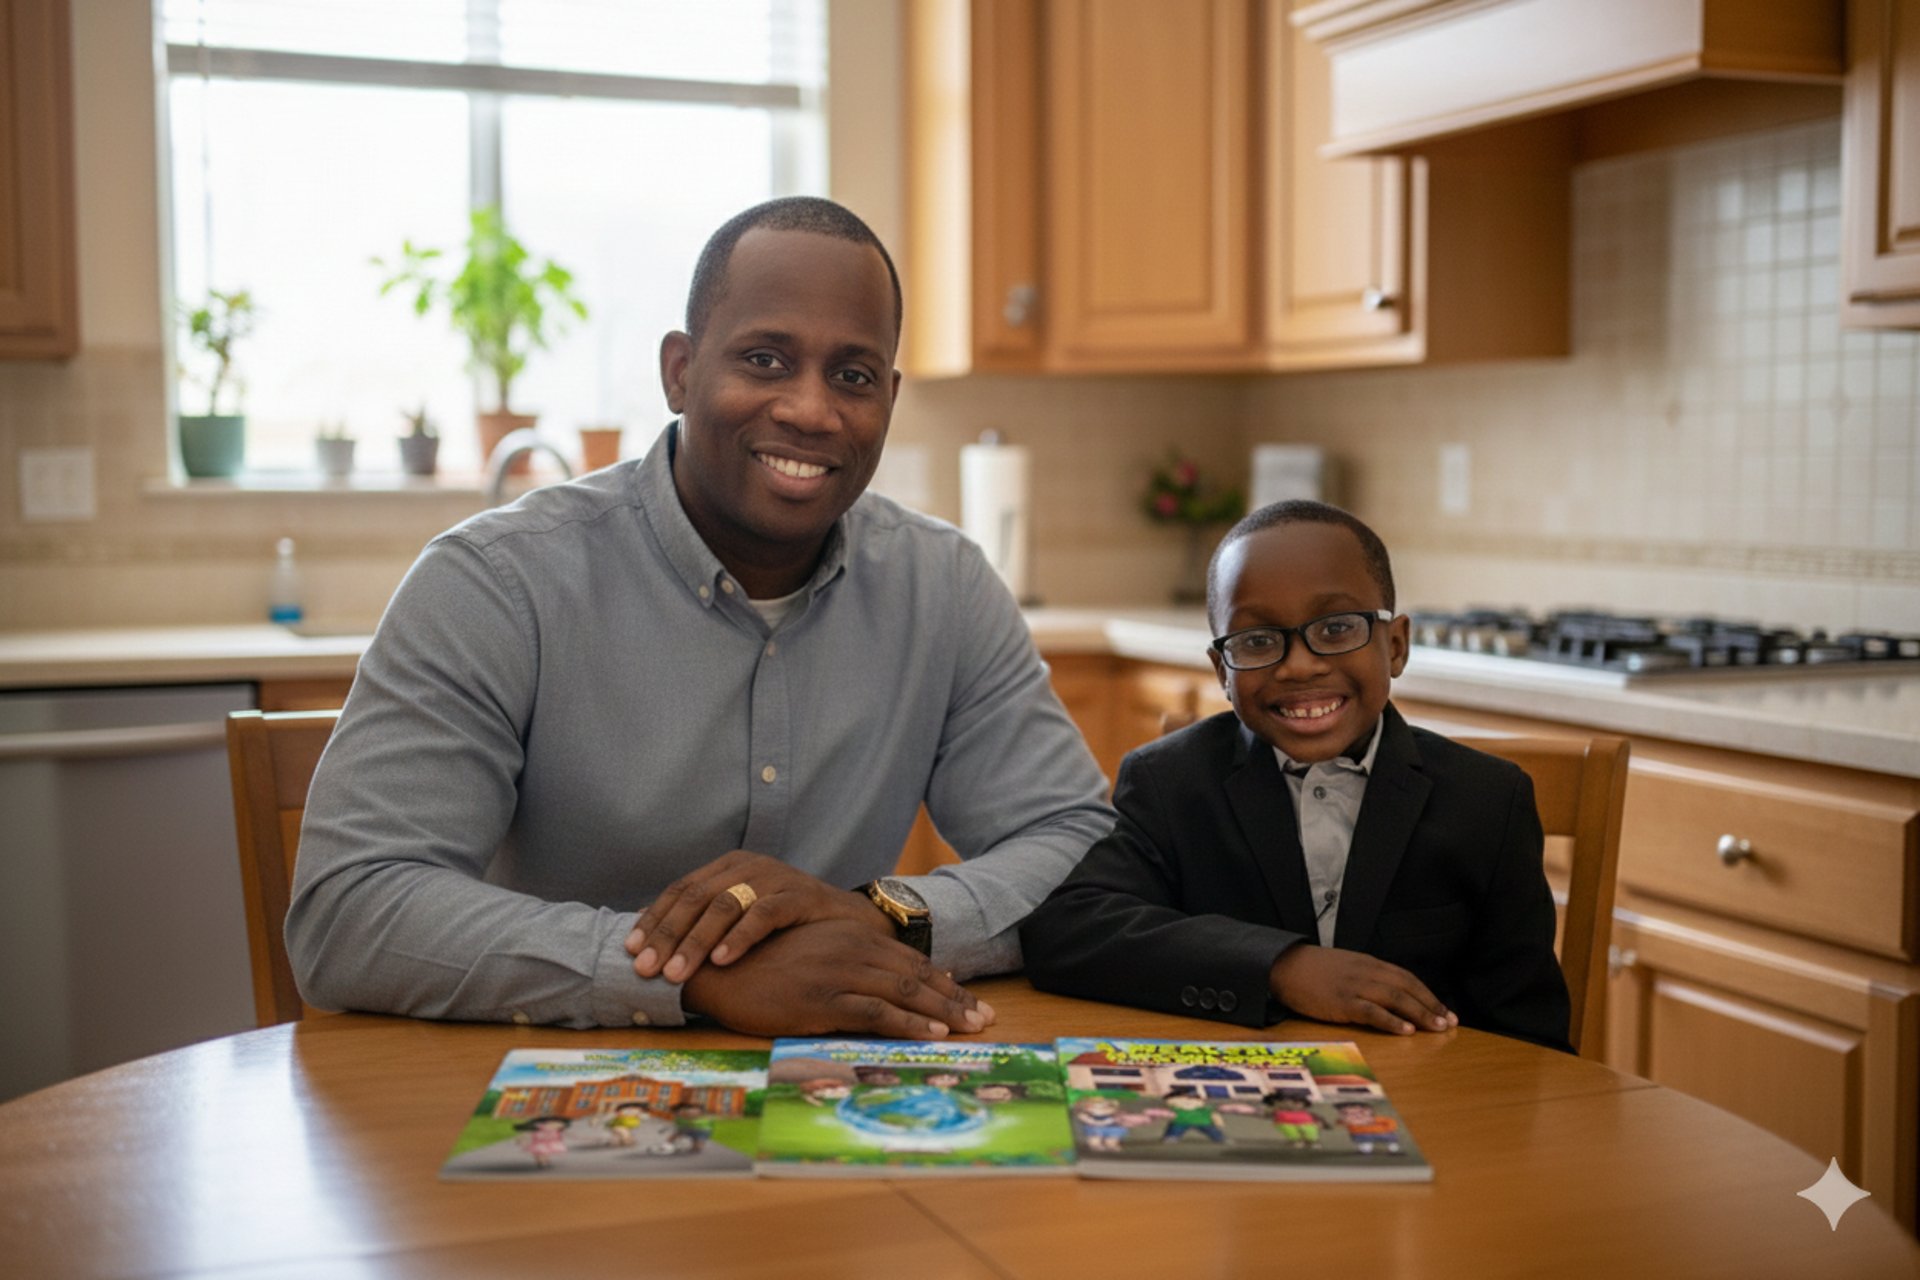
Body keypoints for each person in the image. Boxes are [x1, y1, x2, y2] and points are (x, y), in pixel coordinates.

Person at [287, 196, 1115, 1038]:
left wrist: (883, 915)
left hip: (839, 1088)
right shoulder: (496, 583)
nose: (810, 409)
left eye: (854, 376)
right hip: (538, 1085)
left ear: (891, 397)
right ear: (680, 371)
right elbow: (350, 911)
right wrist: (690, 978)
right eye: (764, 359)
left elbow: (1086, 853)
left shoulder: (943, 586)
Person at [1019, 500, 1572, 1052]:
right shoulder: (1172, 783)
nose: (1300, 665)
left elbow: (1532, 1041)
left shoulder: (1488, 802)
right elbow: (1068, 929)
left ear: (1396, 645)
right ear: (1222, 671)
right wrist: (1282, 967)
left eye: (1336, 628)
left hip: (1435, 1112)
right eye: (1256, 641)